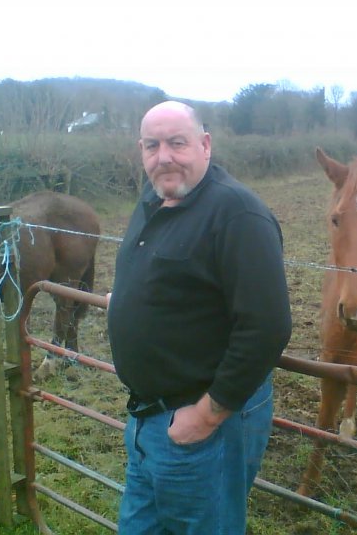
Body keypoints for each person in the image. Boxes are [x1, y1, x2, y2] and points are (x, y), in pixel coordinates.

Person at [107, 100, 292, 534]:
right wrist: (129, 299)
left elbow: (267, 326)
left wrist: (206, 416)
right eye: (152, 145)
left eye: (177, 143)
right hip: (145, 421)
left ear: (205, 145)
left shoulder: (237, 214)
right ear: (141, 150)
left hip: (203, 426)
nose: (164, 156)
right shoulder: (154, 197)